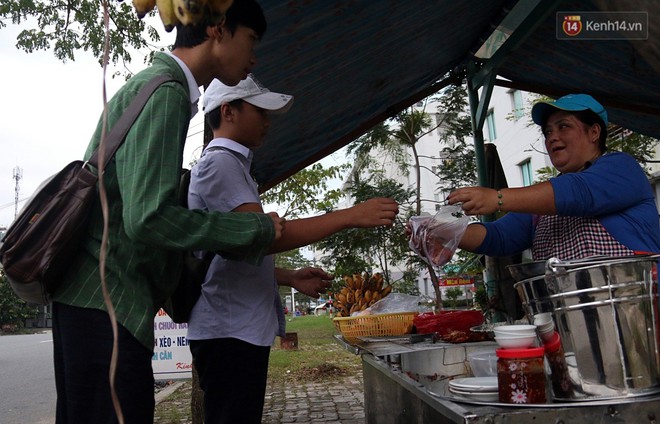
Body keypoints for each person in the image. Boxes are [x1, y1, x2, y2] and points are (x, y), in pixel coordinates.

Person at [50, 2, 286, 423]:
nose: (253, 58)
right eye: (250, 41)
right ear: (218, 29)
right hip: (107, 302)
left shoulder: (157, 86)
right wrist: (253, 229)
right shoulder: (168, 93)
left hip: (95, 301)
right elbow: (148, 218)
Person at [187, 75, 400, 424]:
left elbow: (234, 252)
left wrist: (288, 276)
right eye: (259, 111)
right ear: (229, 111)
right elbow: (264, 236)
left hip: (235, 328)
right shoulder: (221, 163)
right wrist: (349, 216)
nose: (267, 121)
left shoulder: (234, 165)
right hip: (229, 331)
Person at [444, 93, 660, 260]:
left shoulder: (621, 167)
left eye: (563, 127)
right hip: (566, 313)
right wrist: (444, 232)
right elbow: (499, 236)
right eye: (548, 132)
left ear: (594, 132)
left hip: (633, 309)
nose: (553, 138)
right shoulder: (543, 201)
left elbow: (578, 192)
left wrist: (496, 198)